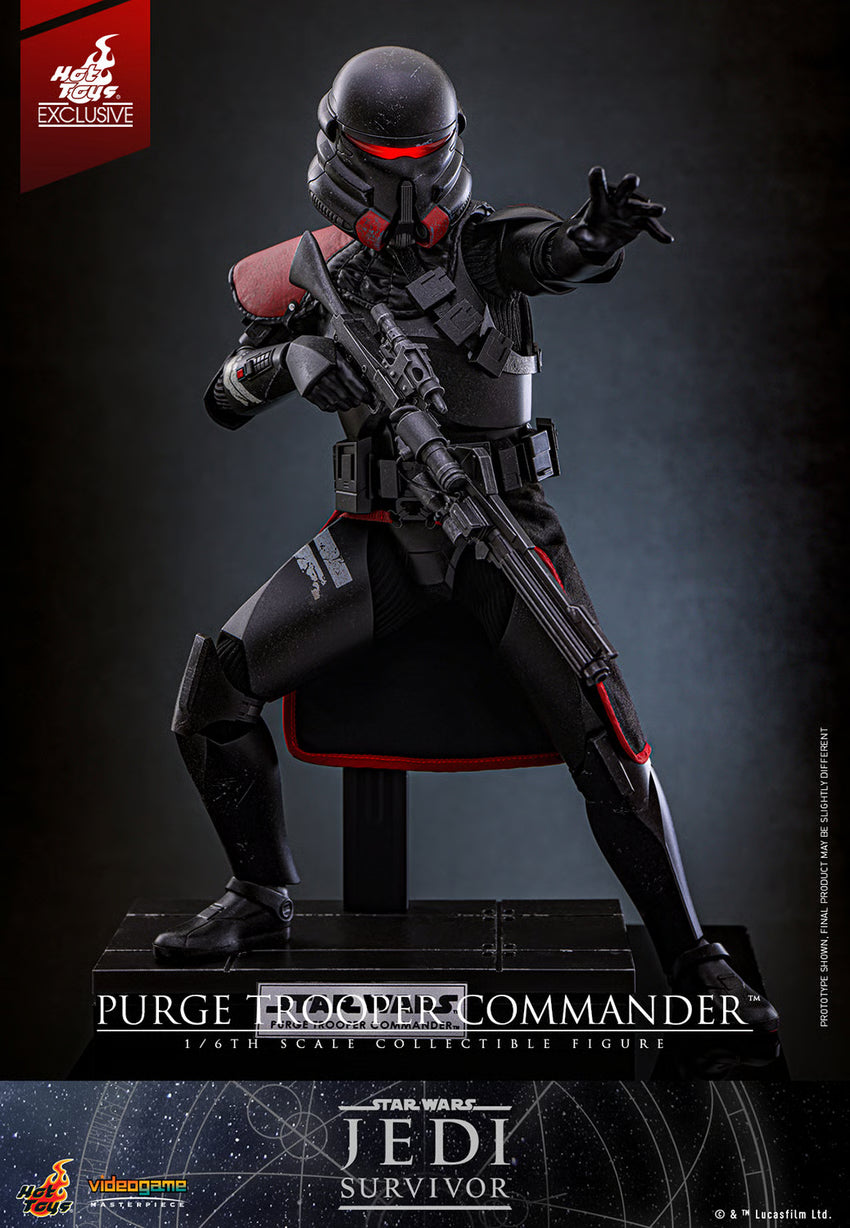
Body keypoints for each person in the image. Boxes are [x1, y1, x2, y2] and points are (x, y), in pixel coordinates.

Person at [155, 46, 777, 1033]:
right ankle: (259, 895)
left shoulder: (482, 249)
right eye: (386, 159)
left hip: (501, 529)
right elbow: (221, 396)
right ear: (342, 152)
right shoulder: (306, 274)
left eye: (421, 156)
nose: (406, 182)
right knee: (214, 690)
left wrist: (591, 238)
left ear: (448, 149)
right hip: (383, 535)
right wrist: (293, 361)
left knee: (606, 731)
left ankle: (691, 955)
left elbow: (549, 251)